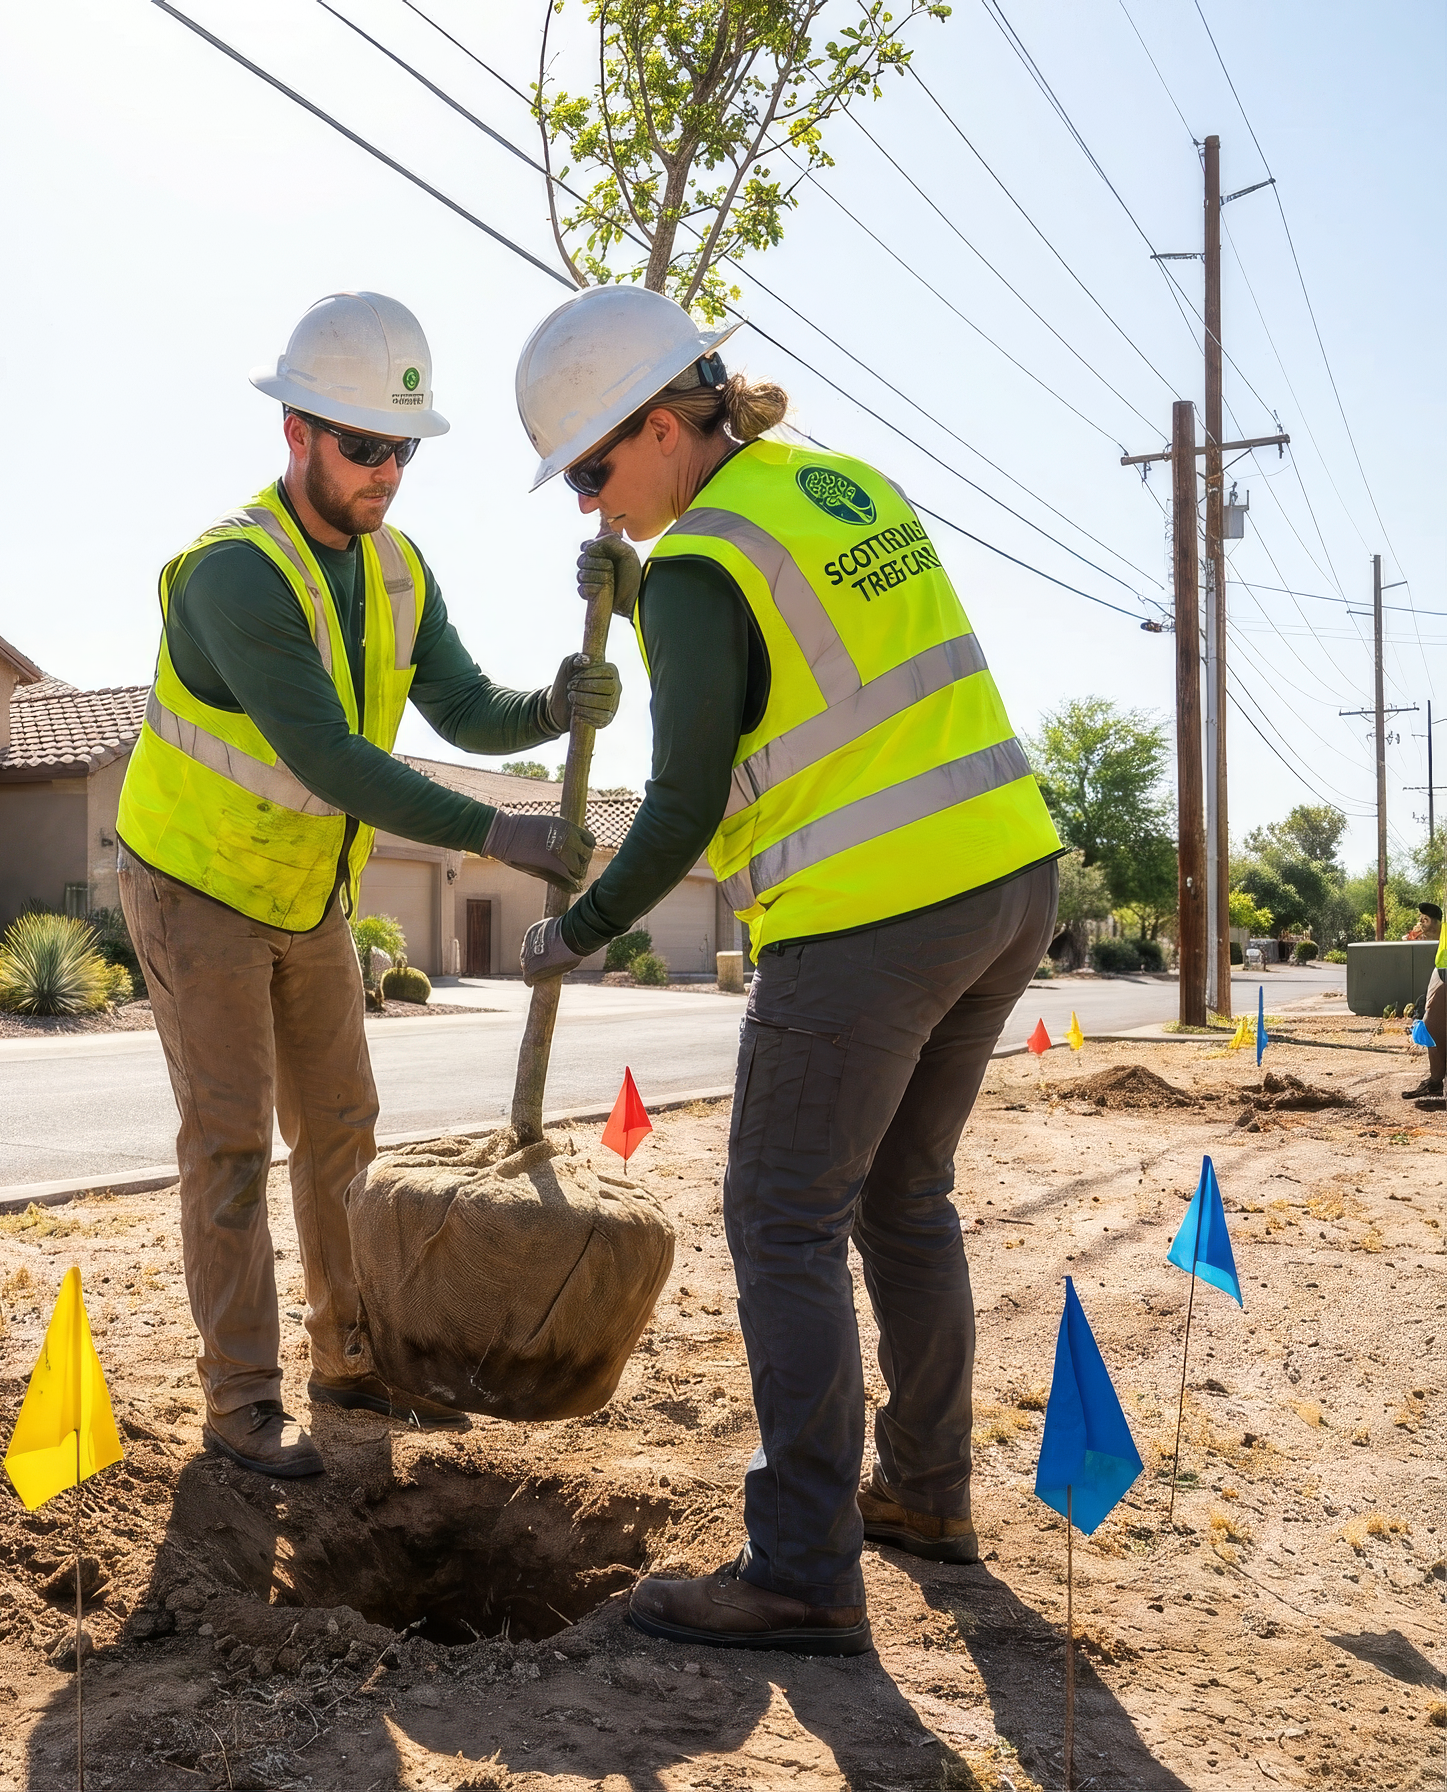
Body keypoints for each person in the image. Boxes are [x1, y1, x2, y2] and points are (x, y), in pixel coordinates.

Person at [514, 285, 1064, 1654]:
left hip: (870, 909)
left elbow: (689, 793)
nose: (593, 505)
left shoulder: (701, 560)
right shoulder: (833, 483)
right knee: (901, 1199)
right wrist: (648, 599)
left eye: (594, 469)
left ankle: (804, 1566)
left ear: (659, 422)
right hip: (1008, 874)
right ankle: (926, 1497)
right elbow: (796, 664)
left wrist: (575, 931)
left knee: (779, 1219)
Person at [116, 291, 615, 1479]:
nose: (388, 471)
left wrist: (546, 709)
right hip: (196, 885)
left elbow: (459, 704)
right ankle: (242, 1404)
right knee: (230, 1144)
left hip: (303, 891)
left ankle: (352, 1359)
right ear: (297, 433)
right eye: (363, 445)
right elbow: (332, 758)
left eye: (404, 448)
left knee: (342, 1131)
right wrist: (505, 833)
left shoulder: (395, 568)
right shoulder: (231, 575)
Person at [1407, 901, 1446, 1099]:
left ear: (1439, 922)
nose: (1422, 925)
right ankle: (1435, 1082)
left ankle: (1435, 1083)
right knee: (1432, 1028)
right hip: (1441, 975)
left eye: (1426, 921)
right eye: (1421, 920)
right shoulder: (1441, 936)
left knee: (1432, 1029)